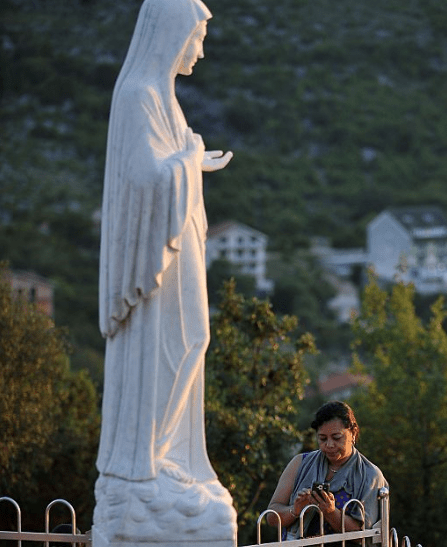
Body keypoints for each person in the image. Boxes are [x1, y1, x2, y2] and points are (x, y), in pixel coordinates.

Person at [97, 0, 232, 490]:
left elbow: (166, 168)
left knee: (194, 338)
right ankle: (147, 458)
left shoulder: (165, 97)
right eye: (196, 37)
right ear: (173, 35)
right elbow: (144, 177)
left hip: (181, 244)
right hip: (158, 256)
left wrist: (194, 163)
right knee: (179, 340)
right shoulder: (138, 95)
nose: (199, 49)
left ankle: (166, 452)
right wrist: (191, 155)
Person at [267, 401, 388, 539]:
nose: (329, 445)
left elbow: (364, 532)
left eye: (337, 438)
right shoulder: (300, 463)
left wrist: (330, 512)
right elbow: (271, 516)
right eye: (323, 439)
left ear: (353, 433)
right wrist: (296, 510)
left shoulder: (370, 475)